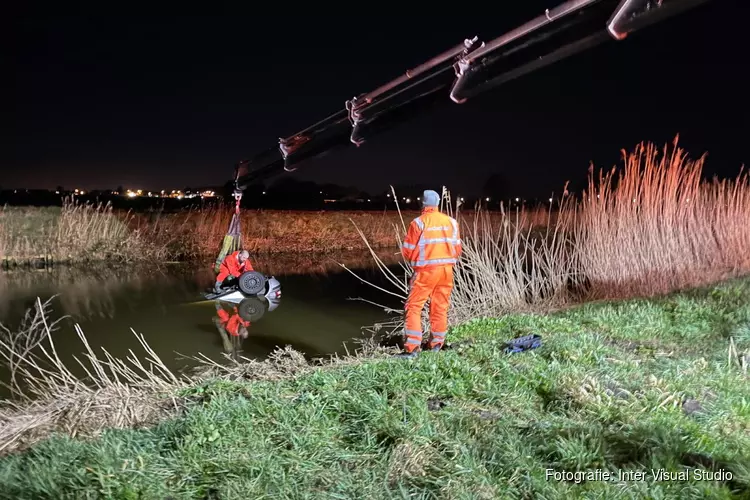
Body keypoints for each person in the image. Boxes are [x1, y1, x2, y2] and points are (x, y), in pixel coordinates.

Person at [398, 189, 462, 358]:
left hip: (426, 272)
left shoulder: (418, 223)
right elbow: (457, 249)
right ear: (438, 203)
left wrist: (417, 263)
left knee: (413, 307)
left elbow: (408, 250)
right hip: (447, 271)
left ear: (423, 203)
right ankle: (436, 344)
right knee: (440, 307)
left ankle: (412, 348)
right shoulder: (452, 222)